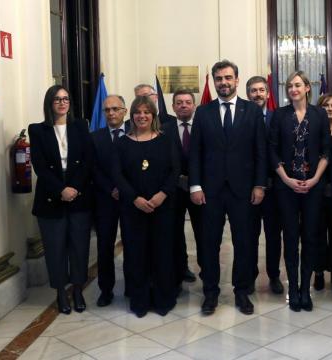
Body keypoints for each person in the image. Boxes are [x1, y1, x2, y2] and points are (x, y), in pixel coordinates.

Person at [189, 60, 267, 316]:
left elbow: (260, 152)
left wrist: (259, 184)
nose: (223, 82)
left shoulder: (252, 111)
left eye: (228, 77)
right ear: (214, 81)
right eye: (219, 78)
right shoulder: (203, 112)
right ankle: (210, 293)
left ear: (236, 79)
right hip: (210, 191)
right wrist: (195, 186)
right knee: (208, 243)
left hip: (243, 190)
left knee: (244, 243)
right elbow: (195, 153)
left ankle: (242, 292)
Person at [112, 96, 179, 317]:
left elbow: (174, 170)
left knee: (162, 253)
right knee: (136, 254)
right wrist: (134, 198)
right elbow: (118, 175)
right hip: (133, 210)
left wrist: (162, 194)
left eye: (146, 112)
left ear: (153, 116)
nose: (142, 116)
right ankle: (139, 301)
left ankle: (163, 300)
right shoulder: (122, 143)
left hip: (163, 207)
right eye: (138, 112)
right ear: (131, 116)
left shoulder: (166, 139)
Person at [29, 85, 94, 314]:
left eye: (66, 98)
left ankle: (77, 290)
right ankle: (60, 293)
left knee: (79, 246)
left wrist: (74, 187)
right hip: (51, 196)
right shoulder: (37, 130)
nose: (62, 102)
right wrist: (61, 190)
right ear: (49, 103)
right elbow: (40, 167)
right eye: (57, 99)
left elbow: (88, 161)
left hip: (79, 196)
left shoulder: (80, 126)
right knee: (55, 249)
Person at [269, 71, 330, 311]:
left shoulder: (320, 114)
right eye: (289, 86)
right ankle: (293, 289)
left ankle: (306, 290)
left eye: (297, 85)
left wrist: (315, 178)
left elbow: (326, 150)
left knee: (311, 238)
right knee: (291, 238)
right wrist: (286, 178)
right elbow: (272, 149)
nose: (293, 89)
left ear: (307, 87)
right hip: (286, 188)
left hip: (313, 187)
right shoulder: (279, 115)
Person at [246, 76, 284, 294]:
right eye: (253, 90)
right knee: (249, 235)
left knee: (273, 235)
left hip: (274, 188)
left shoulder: (276, 118)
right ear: (248, 94)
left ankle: (274, 275)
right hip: (248, 188)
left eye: (261, 90)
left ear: (268, 94)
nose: (257, 94)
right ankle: (250, 275)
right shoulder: (241, 118)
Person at [92, 94, 130, 307]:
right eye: (107, 110)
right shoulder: (95, 137)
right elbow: (93, 169)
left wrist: (124, 189)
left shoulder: (135, 134)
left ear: (124, 111)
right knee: (105, 246)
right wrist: (111, 189)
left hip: (130, 199)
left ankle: (132, 285)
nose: (111, 113)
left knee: (132, 244)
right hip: (105, 200)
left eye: (116, 109)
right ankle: (105, 289)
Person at [161, 89, 199, 287]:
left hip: (198, 188)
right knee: (175, 232)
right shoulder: (163, 129)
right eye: (179, 102)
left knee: (202, 231)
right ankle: (181, 268)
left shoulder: (202, 127)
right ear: (173, 106)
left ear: (194, 105)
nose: (183, 105)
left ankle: (206, 268)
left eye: (187, 102)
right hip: (173, 190)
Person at [315, 93, 332, 290]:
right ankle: (318, 271)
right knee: (317, 232)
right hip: (317, 188)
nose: (330, 108)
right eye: (325, 105)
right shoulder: (314, 128)